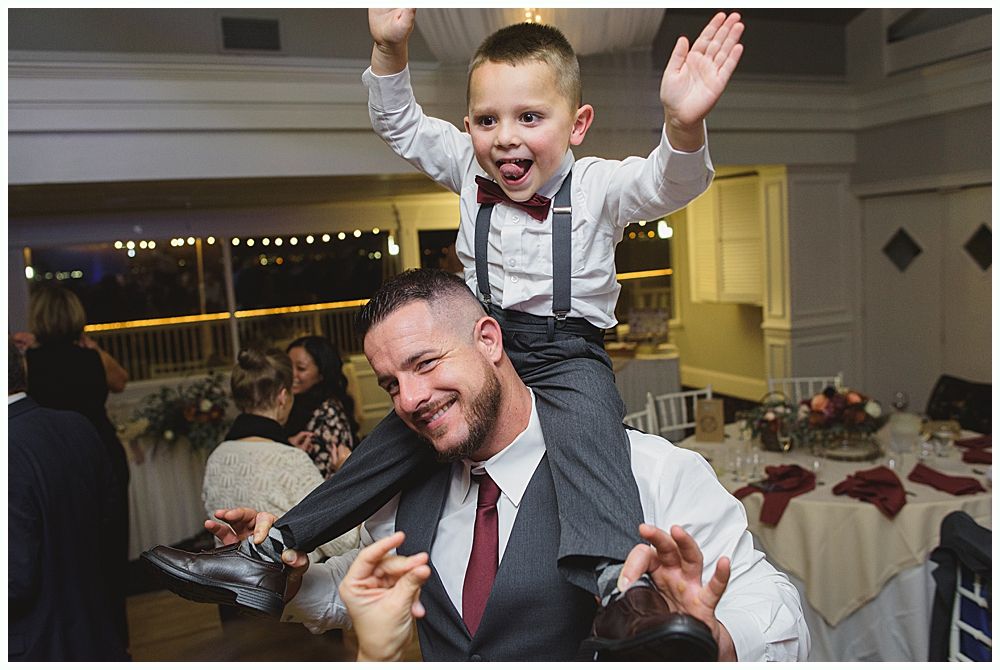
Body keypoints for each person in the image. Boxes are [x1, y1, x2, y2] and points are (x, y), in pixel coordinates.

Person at [145, 11, 744, 651]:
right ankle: (271, 552)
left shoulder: (600, 185)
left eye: (530, 118)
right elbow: (399, 122)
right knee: (390, 442)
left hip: (570, 351)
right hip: (486, 343)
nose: (506, 138)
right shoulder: (466, 168)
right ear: (468, 128)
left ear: (578, 125)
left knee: (592, 444)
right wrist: (389, 45)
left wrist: (683, 126)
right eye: (488, 120)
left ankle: (619, 593)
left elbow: (668, 181)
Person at [192, 269, 809, 661]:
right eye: (390, 384)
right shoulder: (404, 494)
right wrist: (293, 582)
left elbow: (781, 612)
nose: (408, 400)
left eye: (426, 363)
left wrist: (719, 641)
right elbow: (368, 589)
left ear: (489, 340)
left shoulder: (646, 472)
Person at [23, 285, 132, 647]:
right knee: (107, 553)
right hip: (98, 454)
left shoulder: (31, 361)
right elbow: (120, 379)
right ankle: (114, 639)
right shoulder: (90, 358)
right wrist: (93, 345)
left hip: (48, 463)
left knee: (60, 554)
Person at [203, 347, 360, 565]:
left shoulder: (217, 456)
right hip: (289, 589)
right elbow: (345, 542)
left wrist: (285, 448)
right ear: (283, 397)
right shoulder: (290, 460)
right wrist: (348, 473)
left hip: (234, 585)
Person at [284, 335, 359, 479]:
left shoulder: (328, 413)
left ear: (321, 374)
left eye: (301, 368)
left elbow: (326, 479)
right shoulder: (294, 404)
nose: (292, 374)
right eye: (288, 367)